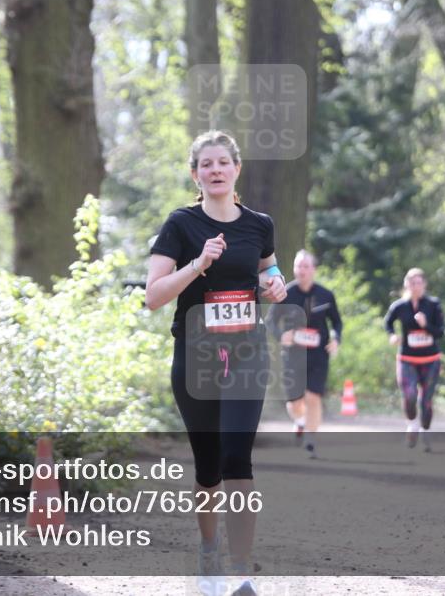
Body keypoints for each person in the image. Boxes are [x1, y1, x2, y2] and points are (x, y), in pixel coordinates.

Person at [146, 130, 287, 596]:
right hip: (196, 356)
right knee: (208, 465)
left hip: (247, 352)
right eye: (206, 164)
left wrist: (275, 283)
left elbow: (267, 266)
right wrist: (197, 266)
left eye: (223, 162)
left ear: (237, 169)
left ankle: (242, 569)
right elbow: (153, 296)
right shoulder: (180, 225)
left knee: (236, 458)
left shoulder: (258, 223)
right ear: (195, 174)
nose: (216, 170)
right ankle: (210, 552)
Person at [267, 250, 342, 459]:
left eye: (306, 266)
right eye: (298, 266)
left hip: (318, 354)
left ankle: (310, 440)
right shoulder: (286, 294)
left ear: (314, 270)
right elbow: (270, 321)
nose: (302, 270)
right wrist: (282, 335)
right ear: (294, 269)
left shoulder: (326, 295)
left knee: (313, 396)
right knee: (294, 402)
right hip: (293, 354)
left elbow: (336, 322)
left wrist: (336, 339)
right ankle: (300, 422)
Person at [383, 268, 445, 452]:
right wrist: (392, 335)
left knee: (426, 401)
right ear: (406, 285)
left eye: (419, 282)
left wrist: (426, 325)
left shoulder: (433, 305)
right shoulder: (399, 306)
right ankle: (412, 425)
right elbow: (387, 323)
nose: (415, 286)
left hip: (430, 359)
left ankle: (426, 430)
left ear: (424, 284)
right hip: (407, 358)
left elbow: (441, 332)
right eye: (412, 283)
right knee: (409, 395)